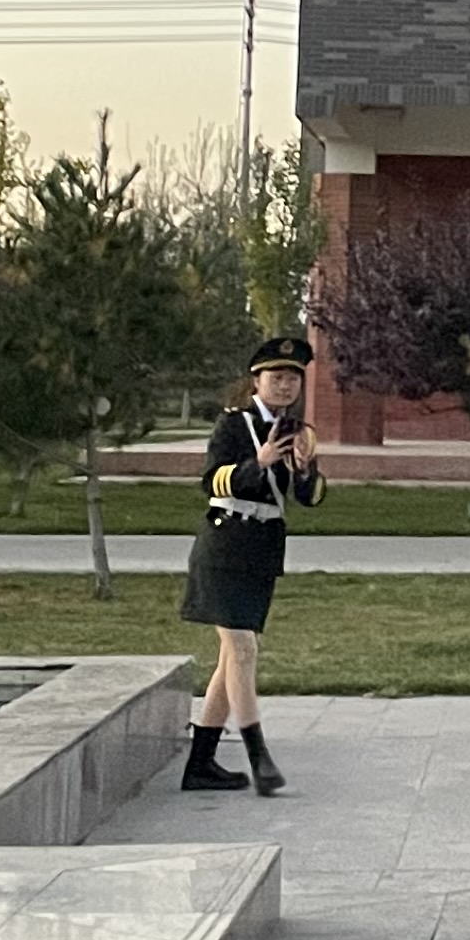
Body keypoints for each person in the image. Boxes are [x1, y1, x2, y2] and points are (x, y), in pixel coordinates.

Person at [178, 331, 318, 793]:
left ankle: (200, 764)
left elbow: (308, 498)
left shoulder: (298, 432)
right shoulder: (234, 425)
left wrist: (305, 469)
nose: (285, 385)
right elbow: (212, 480)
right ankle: (260, 759)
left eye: (293, 378)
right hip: (224, 547)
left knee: (231, 658)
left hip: (262, 551)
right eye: (276, 377)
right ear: (256, 381)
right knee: (242, 650)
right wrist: (258, 462)